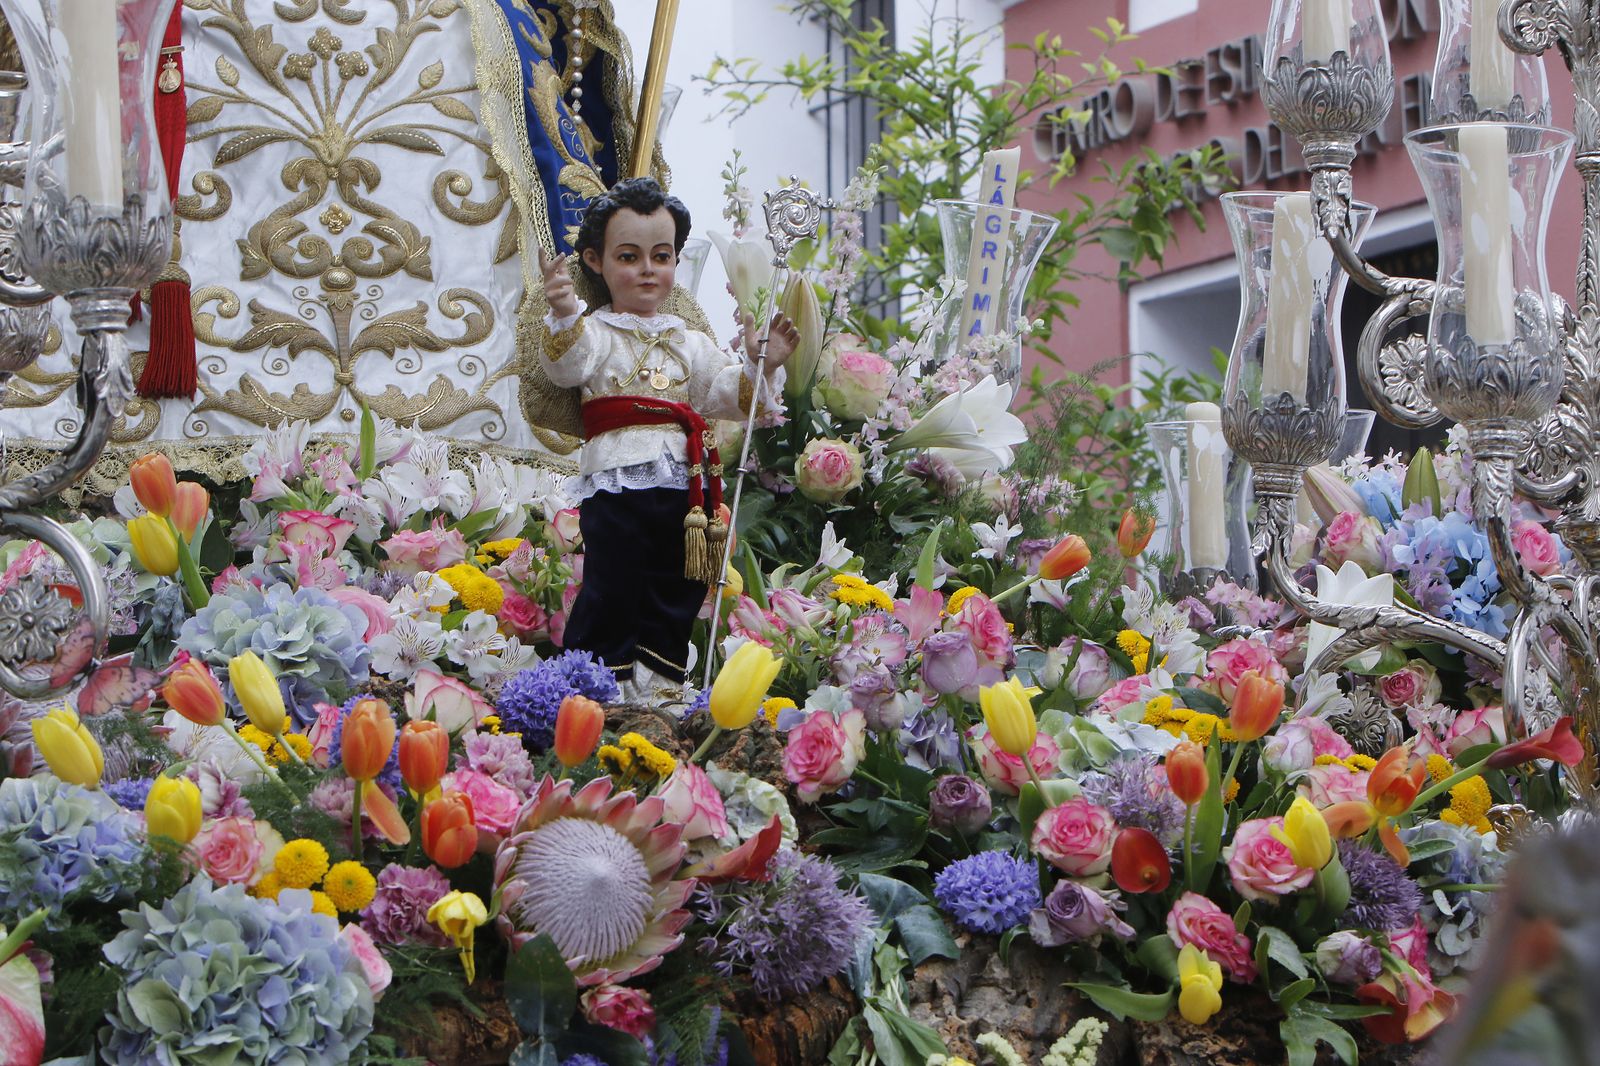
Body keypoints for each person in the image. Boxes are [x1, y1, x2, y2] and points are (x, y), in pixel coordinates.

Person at [538, 176, 798, 700]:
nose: (647, 270)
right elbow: (567, 368)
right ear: (595, 261)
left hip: (684, 484)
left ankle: (661, 684)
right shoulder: (595, 333)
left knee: (676, 583)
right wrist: (565, 311)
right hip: (616, 478)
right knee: (613, 578)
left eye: (661, 256)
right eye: (628, 257)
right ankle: (598, 682)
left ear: (676, 260)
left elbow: (726, 394)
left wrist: (762, 365)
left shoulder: (689, 341)